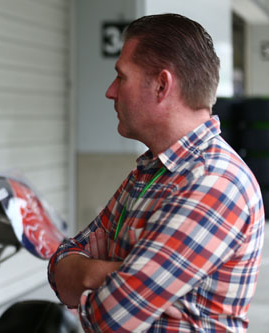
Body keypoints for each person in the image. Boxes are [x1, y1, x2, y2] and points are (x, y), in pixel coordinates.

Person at [48, 13, 265, 332]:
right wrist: (116, 274)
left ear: (162, 85)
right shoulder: (151, 171)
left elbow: (107, 319)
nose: (110, 91)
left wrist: (100, 275)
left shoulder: (214, 182)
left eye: (121, 77)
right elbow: (59, 266)